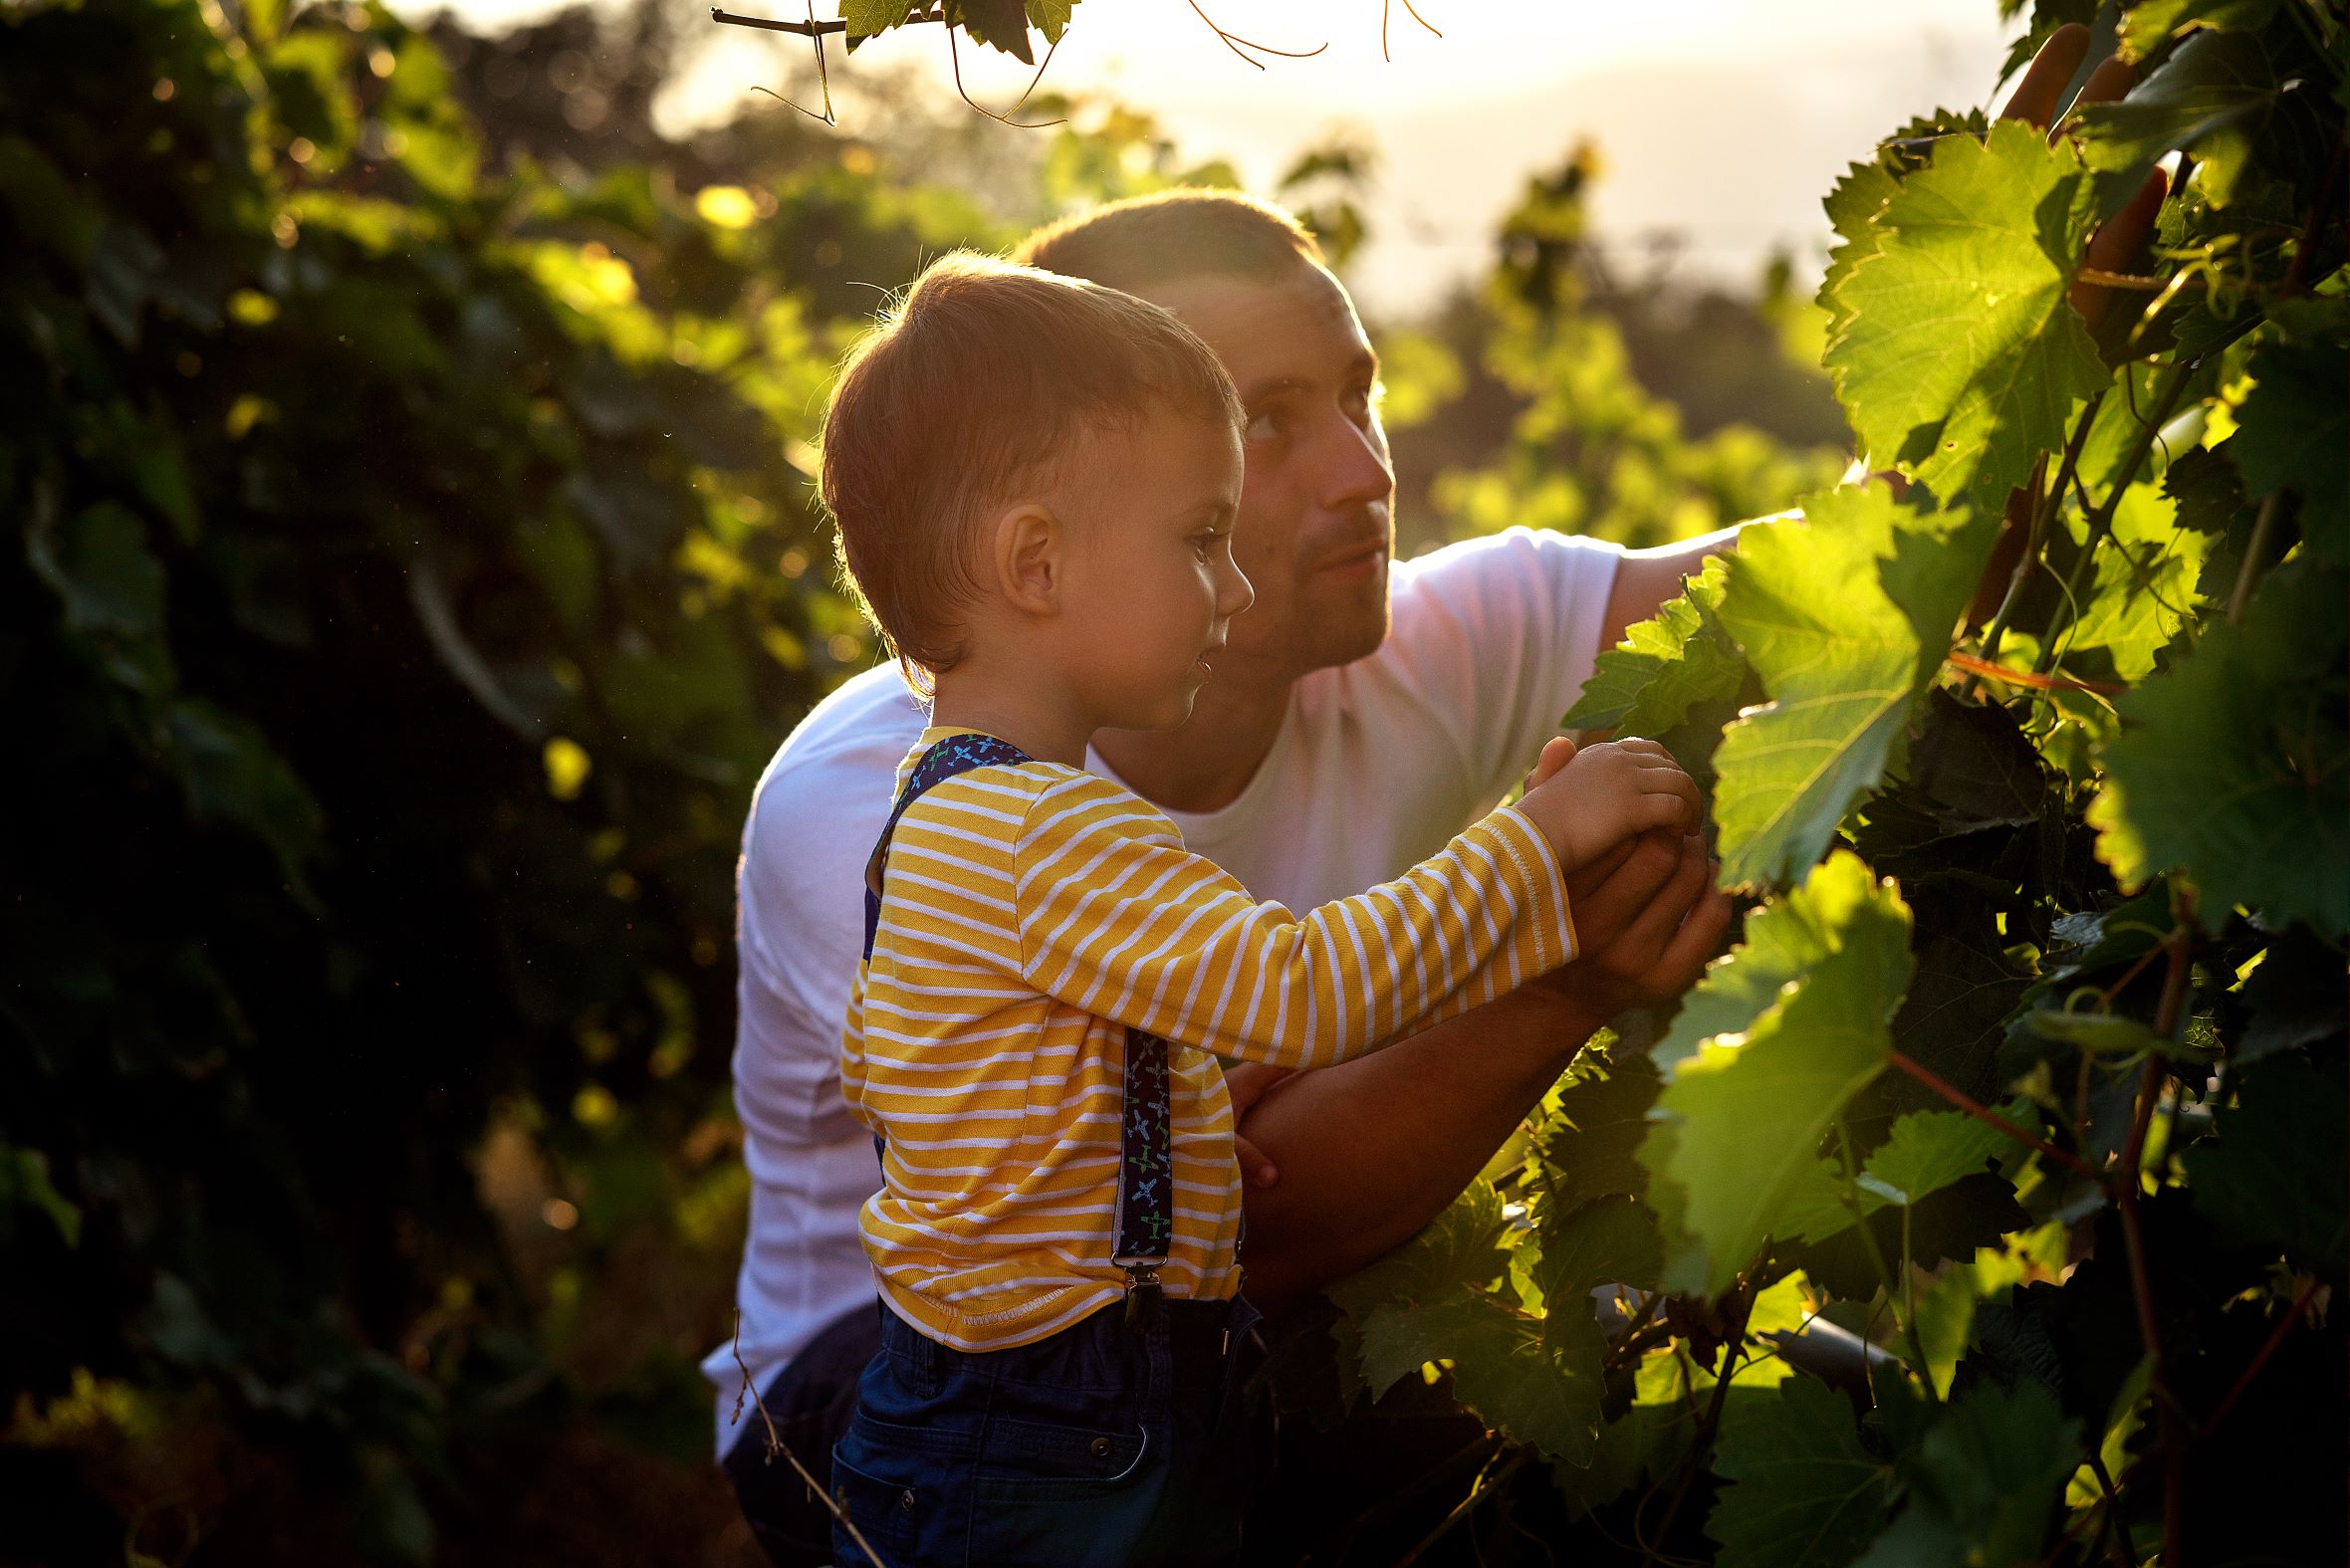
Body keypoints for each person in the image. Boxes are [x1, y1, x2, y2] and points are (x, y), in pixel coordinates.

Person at [708, 27, 2161, 1559]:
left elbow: (1863, 583)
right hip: (909, 1404)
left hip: (1222, 1338)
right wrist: (1553, 969)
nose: (1359, 471)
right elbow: (1255, 1230)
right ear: (1057, 520)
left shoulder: (1422, 629)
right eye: (1260, 427)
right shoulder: (880, 803)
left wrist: (2020, 282)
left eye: (1361, 393)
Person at [812, 251, 1700, 1567]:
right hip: (1054, 1441)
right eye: (1201, 542)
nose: (1231, 591)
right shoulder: (1047, 834)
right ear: (1037, 565)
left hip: (1052, 1411)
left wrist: (1162, 1106)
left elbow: (908, 1067)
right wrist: (1539, 844)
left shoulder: (943, 812)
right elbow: (1303, 987)